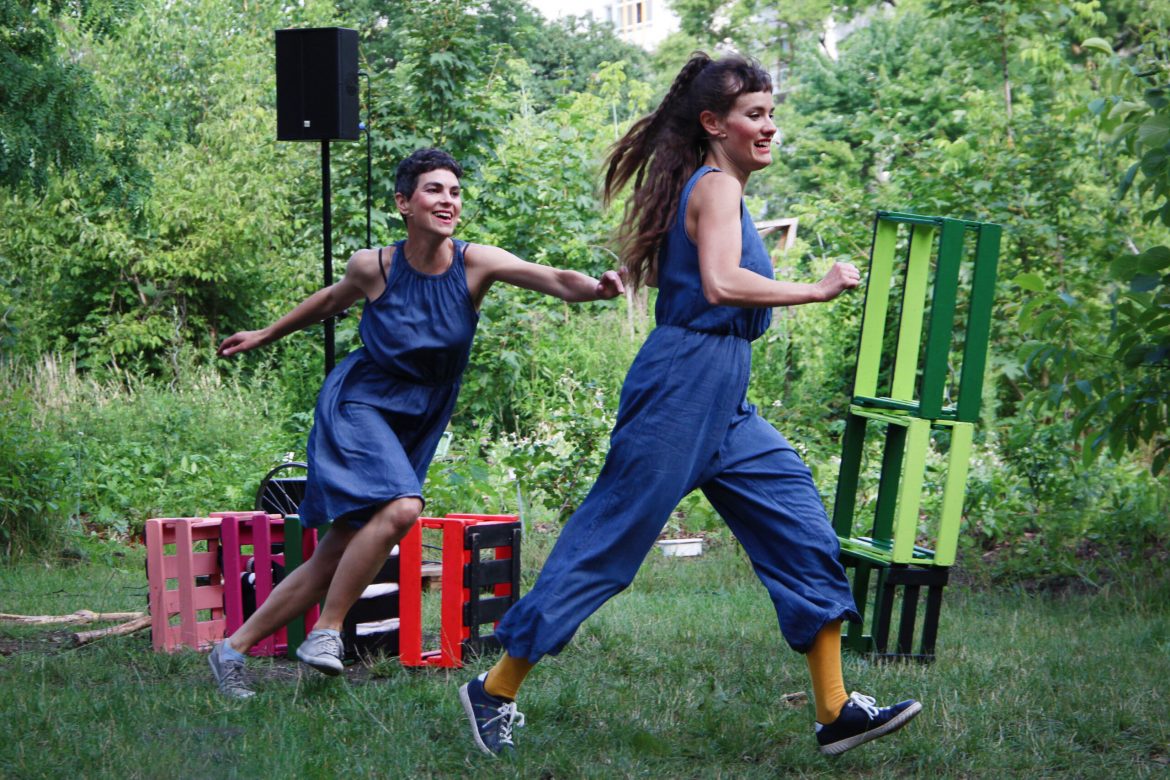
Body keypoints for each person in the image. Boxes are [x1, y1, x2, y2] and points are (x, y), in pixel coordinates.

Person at [459, 53, 921, 757]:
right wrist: (816, 288)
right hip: (681, 387)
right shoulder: (716, 188)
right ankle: (493, 689)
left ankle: (835, 712)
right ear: (715, 124)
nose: (769, 128)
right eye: (754, 115)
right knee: (610, 541)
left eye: (772, 113)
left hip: (725, 396)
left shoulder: (722, 190)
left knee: (798, 522)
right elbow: (720, 283)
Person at [207, 148, 625, 698]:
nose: (447, 200)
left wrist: (597, 289)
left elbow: (553, 278)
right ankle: (327, 633)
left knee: (338, 548)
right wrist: (264, 334)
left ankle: (228, 651)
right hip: (361, 402)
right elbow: (330, 301)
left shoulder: (477, 263)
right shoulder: (374, 266)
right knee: (404, 506)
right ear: (404, 203)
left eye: (453, 191)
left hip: (418, 416)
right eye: (433, 190)